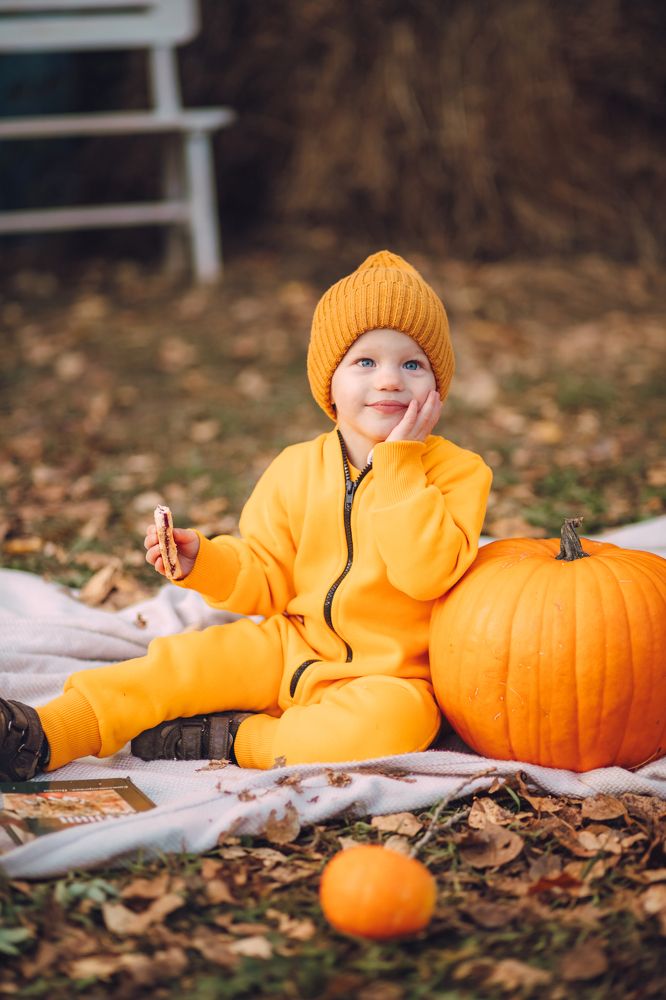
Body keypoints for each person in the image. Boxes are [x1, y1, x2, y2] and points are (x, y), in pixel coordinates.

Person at [0, 251, 492, 780]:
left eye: (412, 364)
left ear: (437, 385)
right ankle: (47, 732)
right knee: (181, 664)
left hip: (392, 678)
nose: (391, 380)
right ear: (329, 381)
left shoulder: (457, 472)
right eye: (366, 362)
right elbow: (264, 572)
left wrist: (398, 464)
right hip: (289, 646)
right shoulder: (296, 468)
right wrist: (204, 562)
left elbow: (426, 574)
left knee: (393, 727)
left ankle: (238, 736)